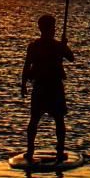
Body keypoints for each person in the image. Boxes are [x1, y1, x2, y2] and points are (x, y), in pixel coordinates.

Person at [21, 14, 74, 162]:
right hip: (53, 87)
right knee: (57, 119)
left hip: (40, 87)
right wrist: (64, 45)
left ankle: (31, 151)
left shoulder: (35, 46)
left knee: (36, 119)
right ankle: (59, 150)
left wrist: (23, 84)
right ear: (50, 28)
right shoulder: (56, 46)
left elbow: (26, 66)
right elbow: (71, 57)